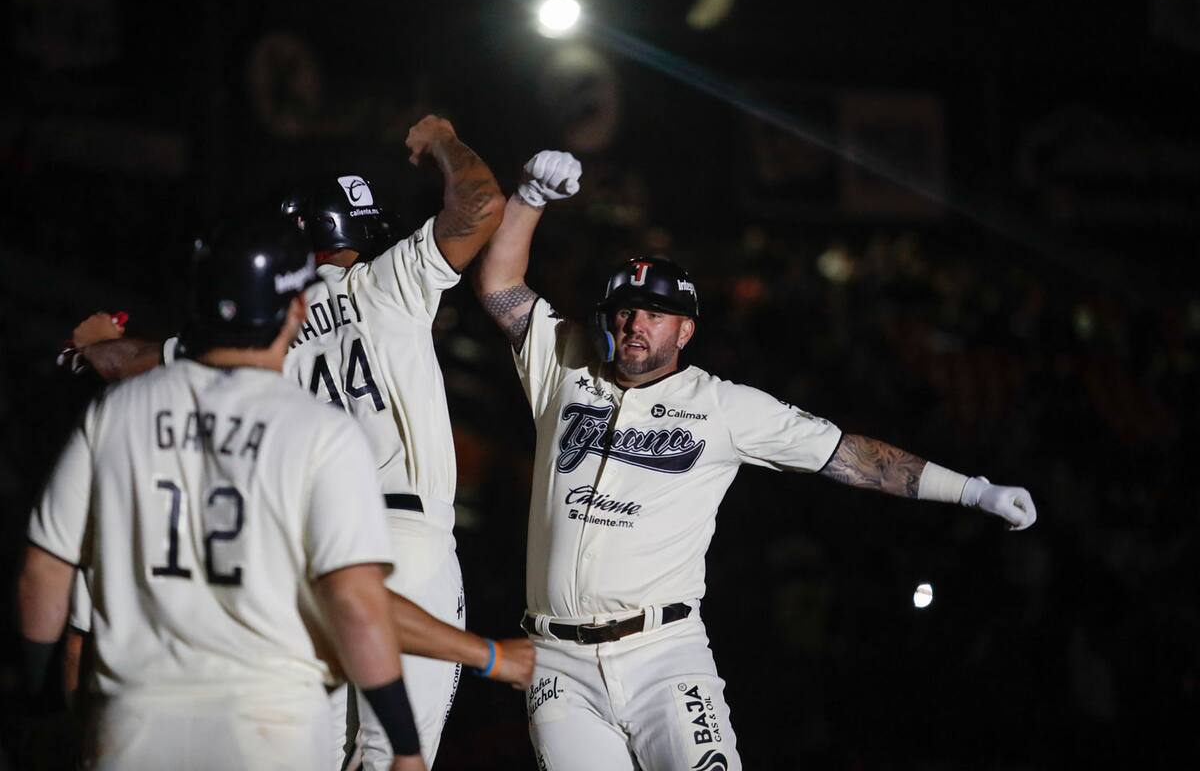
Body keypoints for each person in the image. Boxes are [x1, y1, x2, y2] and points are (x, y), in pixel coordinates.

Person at [472, 151, 1038, 771]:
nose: (636, 325)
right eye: (624, 311)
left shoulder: (723, 406)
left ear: (685, 331)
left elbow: (852, 456)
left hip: (663, 654)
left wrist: (974, 491)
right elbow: (500, 286)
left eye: (655, 316)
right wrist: (529, 197)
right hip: (557, 663)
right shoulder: (566, 361)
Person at [55, 114, 532, 769]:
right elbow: (481, 204)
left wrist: (93, 345)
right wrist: (442, 142)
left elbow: (137, 360)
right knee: (394, 756)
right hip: (410, 543)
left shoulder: (270, 321)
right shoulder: (391, 280)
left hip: (317, 558)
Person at [19, 219, 426, 771]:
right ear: (297, 310)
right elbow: (355, 600)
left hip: (140, 727)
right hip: (269, 729)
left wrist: (43, 704)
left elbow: (44, 571)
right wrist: (402, 741)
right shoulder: (321, 433)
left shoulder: (119, 413)